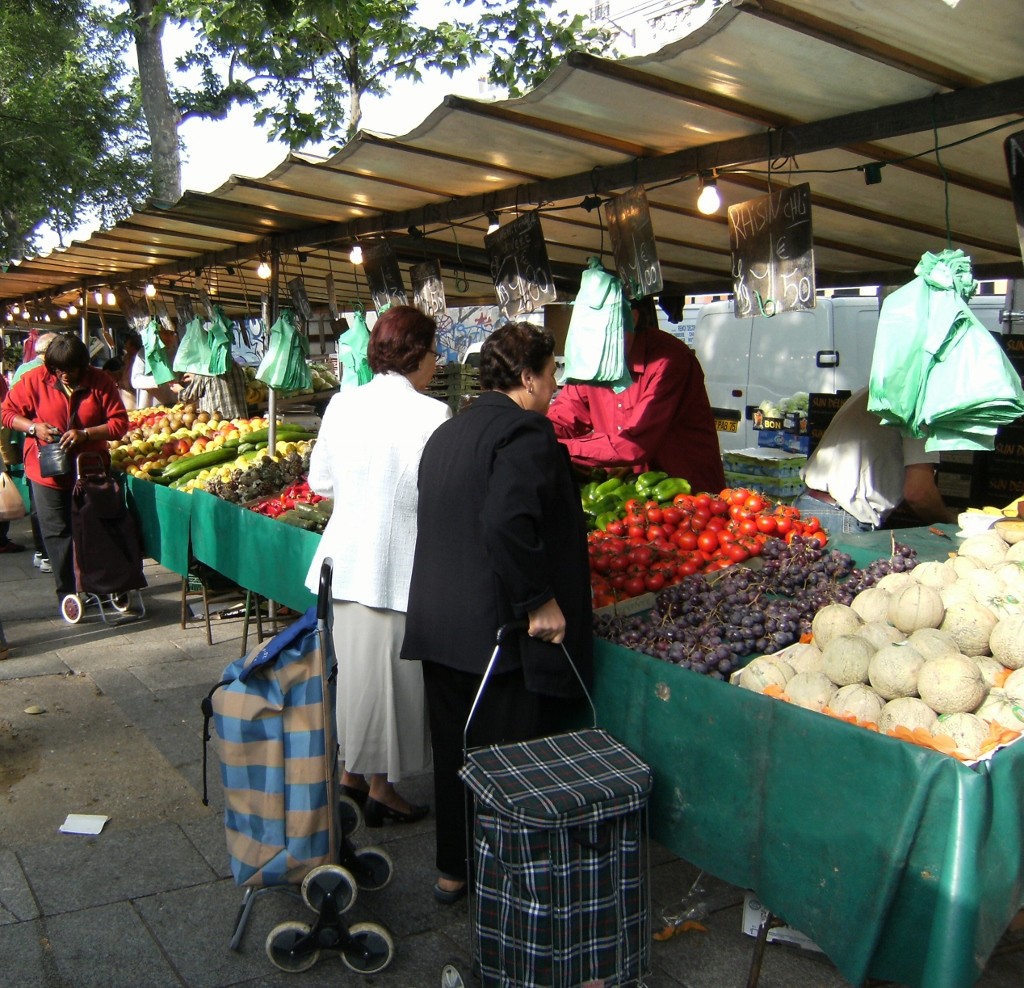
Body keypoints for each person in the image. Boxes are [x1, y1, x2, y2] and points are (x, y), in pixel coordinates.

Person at [401, 321, 593, 904]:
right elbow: (506, 523)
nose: (555, 384)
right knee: (505, 761)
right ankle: (508, 881)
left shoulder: (450, 430)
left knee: (455, 754)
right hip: (496, 632)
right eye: (552, 371)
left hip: (440, 625)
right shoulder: (526, 433)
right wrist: (539, 601)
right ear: (528, 376)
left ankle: (453, 870)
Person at [303, 305, 450, 829]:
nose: (437, 362)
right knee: (391, 685)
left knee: (359, 677)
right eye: (434, 350)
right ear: (416, 353)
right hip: (396, 567)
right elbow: (435, 496)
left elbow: (319, 482)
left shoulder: (343, 405)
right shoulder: (432, 415)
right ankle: (379, 788)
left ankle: (354, 778)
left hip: (345, 563)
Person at [547, 295, 726, 495]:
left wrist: (560, 448)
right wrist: (538, 435)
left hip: (691, 496)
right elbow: (562, 417)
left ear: (631, 318)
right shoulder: (593, 363)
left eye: (599, 329)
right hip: (630, 497)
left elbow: (633, 445)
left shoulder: (669, 360)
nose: (592, 339)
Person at [1, 334, 129, 606]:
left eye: (70, 370)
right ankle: (68, 592)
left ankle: (100, 586)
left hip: (90, 470)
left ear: (83, 365)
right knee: (57, 532)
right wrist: (34, 428)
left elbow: (119, 424)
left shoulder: (100, 381)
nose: (64, 375)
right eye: (58, 370)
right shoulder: (35, 380)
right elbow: (7, 413)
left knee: (94, 528)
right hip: (46, 470)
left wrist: (85, 433)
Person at [793, 387, 957, 533]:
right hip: (840, 515)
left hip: (810, 503)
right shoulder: (919, 407)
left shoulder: (876, 390)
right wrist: (952, 523)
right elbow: (918, 492)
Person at [172, 359, 249, 420]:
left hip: (220, 422)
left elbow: (188, 396)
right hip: (242, 421)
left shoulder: (205, 369)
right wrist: (196, 377)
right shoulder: (236, 366)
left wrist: (178, 388)